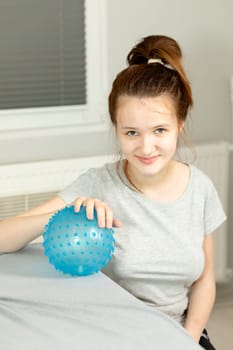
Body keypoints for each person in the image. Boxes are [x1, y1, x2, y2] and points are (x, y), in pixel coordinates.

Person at [0, 35, 226, 349]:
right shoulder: (99, 184)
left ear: (180, 124)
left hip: (175, 334)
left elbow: (204, 279)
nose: (146, 147)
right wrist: (62, 214)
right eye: (131, 132)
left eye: (160, 130)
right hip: (106, 334)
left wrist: (186, 338)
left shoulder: (200, 187)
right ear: (116, 129)